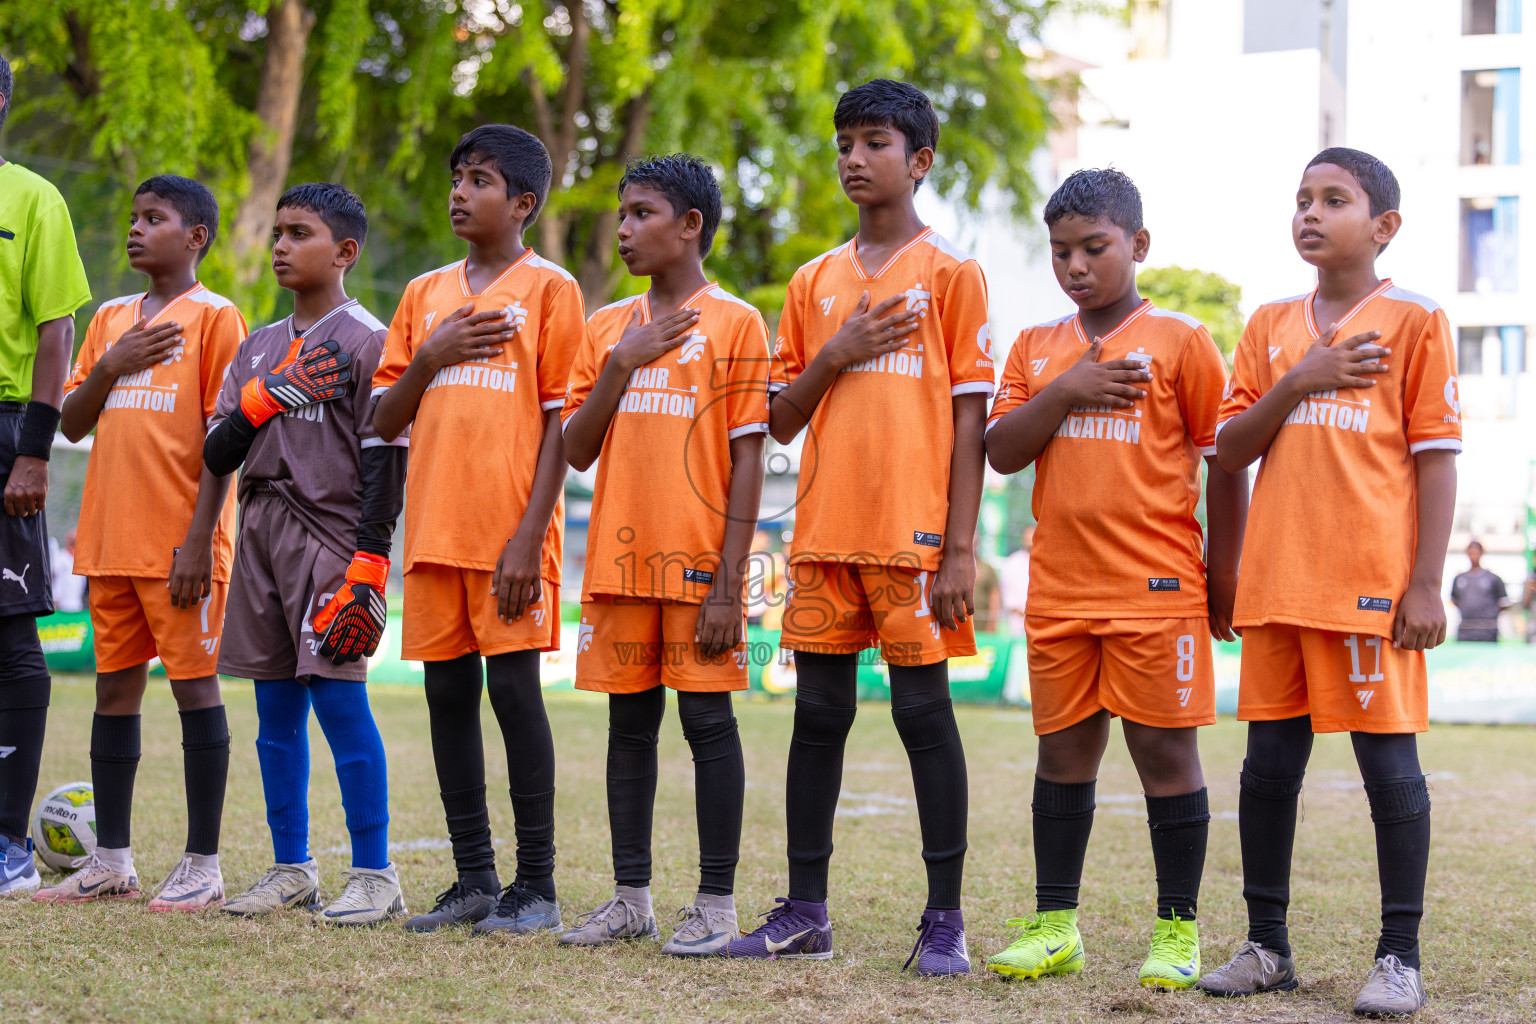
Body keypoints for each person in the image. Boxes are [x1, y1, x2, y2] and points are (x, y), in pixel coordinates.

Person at [725, 79, 993, 976]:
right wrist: (836, 352)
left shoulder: (951, 273)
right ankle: (805, 910)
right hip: (825, 537)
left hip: (914, 542)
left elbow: (971, 420)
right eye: (843, 142)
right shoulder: (813, 281)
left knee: (925, 717)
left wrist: (959, 547)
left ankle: (944, 920)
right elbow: (783, 418)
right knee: (817, 718)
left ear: (918, 161)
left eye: (874, 142)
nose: (852, 157)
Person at [1197, 148, 1458, 1018]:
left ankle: (1400, 957)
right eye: (1302, 199)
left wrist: (1426, 582)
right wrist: (1301, 377)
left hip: (1369, 588)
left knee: (1390, 768)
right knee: (1268, 767)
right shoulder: (1271, 325)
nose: (1310, 212)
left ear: (1383, 226)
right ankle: (1267, 946)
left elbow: (1435, 460)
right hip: (1278, 585)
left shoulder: (1417, 319)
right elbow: (1229, 450)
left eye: (1333, 199)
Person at [981, 168, 1246, 990]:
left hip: (1157, 590)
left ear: (1137, 244)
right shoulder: (1037, 347)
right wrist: (1068, 388)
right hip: (1060, 590)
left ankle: (1178, 931)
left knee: (1165, 758)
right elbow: (1000, 450)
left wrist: (1224, 575)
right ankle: (1056, 925)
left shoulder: (1182, 341)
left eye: (1094, 248)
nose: (1076, 266)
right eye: (1061, 252)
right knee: (1063, 756)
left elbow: (1225, 464)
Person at [372, 124, 581, 935]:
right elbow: (385, 417)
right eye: (457, 176)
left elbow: (564, 423)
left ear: (523, 203)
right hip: (431, 534)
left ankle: (537, 886)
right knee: (446, 695)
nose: (461, 191)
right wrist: (431, 355)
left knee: (516, 697)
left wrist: (530, 535)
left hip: (510, 539)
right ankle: (472, 880)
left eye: (481, 180)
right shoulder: (425, 295)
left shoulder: (551, 291)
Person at [557, 154, 768, 956]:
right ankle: (630, 897)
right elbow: (577, 448)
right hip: (619, 566)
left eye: (642, 212)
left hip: (699, 569)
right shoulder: (608, 327)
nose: (624, 227)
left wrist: (727, 581)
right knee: (628, 727)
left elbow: (747, 460)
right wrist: (621, 363)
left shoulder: (738, 322)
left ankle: (716, 904)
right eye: (620, 212)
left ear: (690, 226)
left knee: (708, 723)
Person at [203, 183, 408, 924]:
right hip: (259, 536)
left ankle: (376, 874)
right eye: (279, 231)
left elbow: (387, 459)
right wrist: (266, 397)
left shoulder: (368, 341)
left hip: (331, 541)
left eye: (300, 233)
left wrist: (369, 562)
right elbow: (217, 449)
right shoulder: (258, 344)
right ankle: (292, 867)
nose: (281, 244)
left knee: (339, 701)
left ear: (345, 252)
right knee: (272, 707)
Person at [40, 175, 243, 910]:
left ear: (195, 237)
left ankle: (203, 865)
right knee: (114, 691)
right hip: (110, 539)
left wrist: (199, 539)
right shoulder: (112, 317)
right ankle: (112, 861)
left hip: (181, 548)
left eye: (153, 219)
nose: (134, 229)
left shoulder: (218, 318)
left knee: (194, 691)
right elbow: (70, 422)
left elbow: (228, 439)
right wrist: (109, 366)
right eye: (132, 217)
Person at [0, 54, 92, 898]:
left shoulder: (33, 197)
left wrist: (36, 445)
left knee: (10, 631)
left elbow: (55, 327)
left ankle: (7, 845)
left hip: (3, 430)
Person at [1449, 540, 1507, 642]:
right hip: (1465, 630)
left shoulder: (1493, 578)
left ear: (1481, 553)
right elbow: (1455, 600)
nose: (1473, 554)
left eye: (1476, 551)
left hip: (1487, 631)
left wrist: (1489, 614)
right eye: (1471, 551)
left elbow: (1504, 602)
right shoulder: (1459, 578)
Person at [1000, 526, 1034, 634]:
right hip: (1016, 623)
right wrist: (1020, 611)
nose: (1030, 541)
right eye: (1028, 537)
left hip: (1039, 621)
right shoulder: (1012, 562)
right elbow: (1006, 591)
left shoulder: (1047, 561)